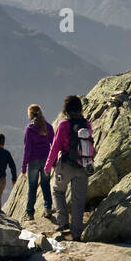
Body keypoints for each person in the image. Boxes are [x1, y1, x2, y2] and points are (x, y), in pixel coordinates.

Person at [44, 95, 92, 239]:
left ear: (66, 109)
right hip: (83, 166)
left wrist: (48, 166)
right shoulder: (87, 124)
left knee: (58, 191)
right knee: (78, 200)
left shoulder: (64, 125)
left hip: (65, 165)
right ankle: (76, 235)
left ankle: (64, 226)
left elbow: (55, 147)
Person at [22, 104, 54, 221]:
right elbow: (53, 145)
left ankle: (30, 213)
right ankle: (48, 208)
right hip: (46, 160)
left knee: (32, 187)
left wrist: (24, 166)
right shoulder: (48, 127)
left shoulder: (29, 130)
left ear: (30, 115)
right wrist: (53, 162)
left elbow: (27, 149)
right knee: (46, 185)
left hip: (33, 161)